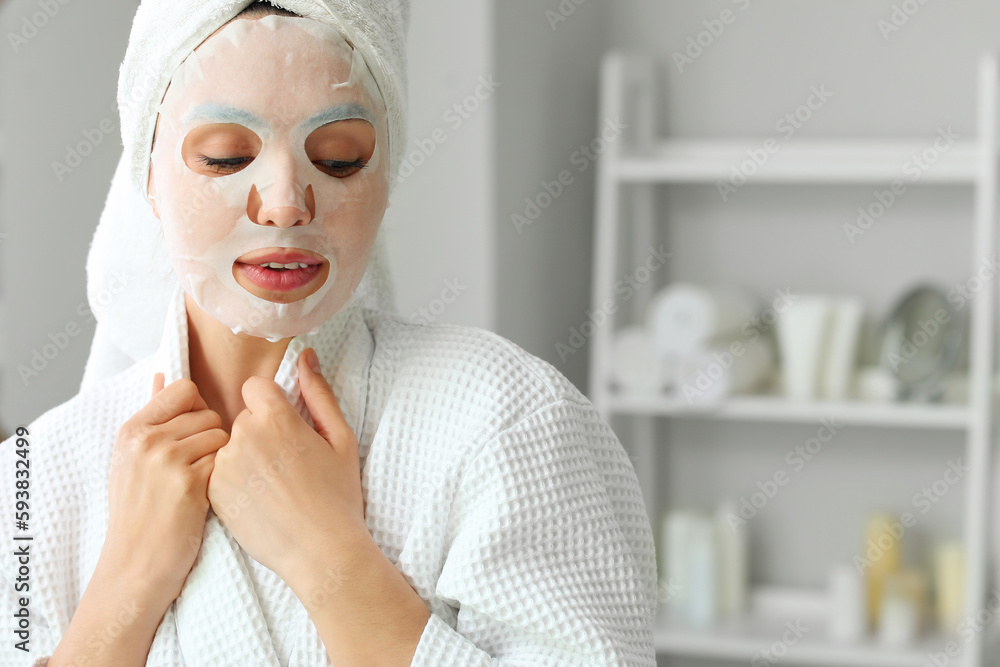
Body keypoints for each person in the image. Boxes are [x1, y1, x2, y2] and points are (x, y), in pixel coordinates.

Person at [0, 1, 658, 665]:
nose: (286, 200)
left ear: (386, 176)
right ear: (148, 175)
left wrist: (332, 563)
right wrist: (123, 589)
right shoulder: (36, 474)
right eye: (226, 157)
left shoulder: (509, 420)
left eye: (340, 159)